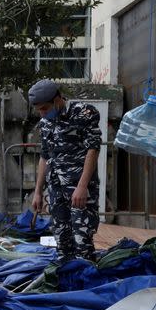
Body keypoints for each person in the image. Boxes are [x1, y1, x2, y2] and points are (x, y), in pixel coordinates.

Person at [30, 79, 101, 263]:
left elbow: (93, 150)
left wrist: (82, 186)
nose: (42, 113)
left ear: (57, 99)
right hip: (56, 189)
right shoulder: (45, 123)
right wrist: (38, 192)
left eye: (45, 108)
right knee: (62, 243)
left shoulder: (83, 113)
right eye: (39, 110)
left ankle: (88, 285)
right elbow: (44, 157)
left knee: (82, 242)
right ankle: (69, 284)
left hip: (79, 188)